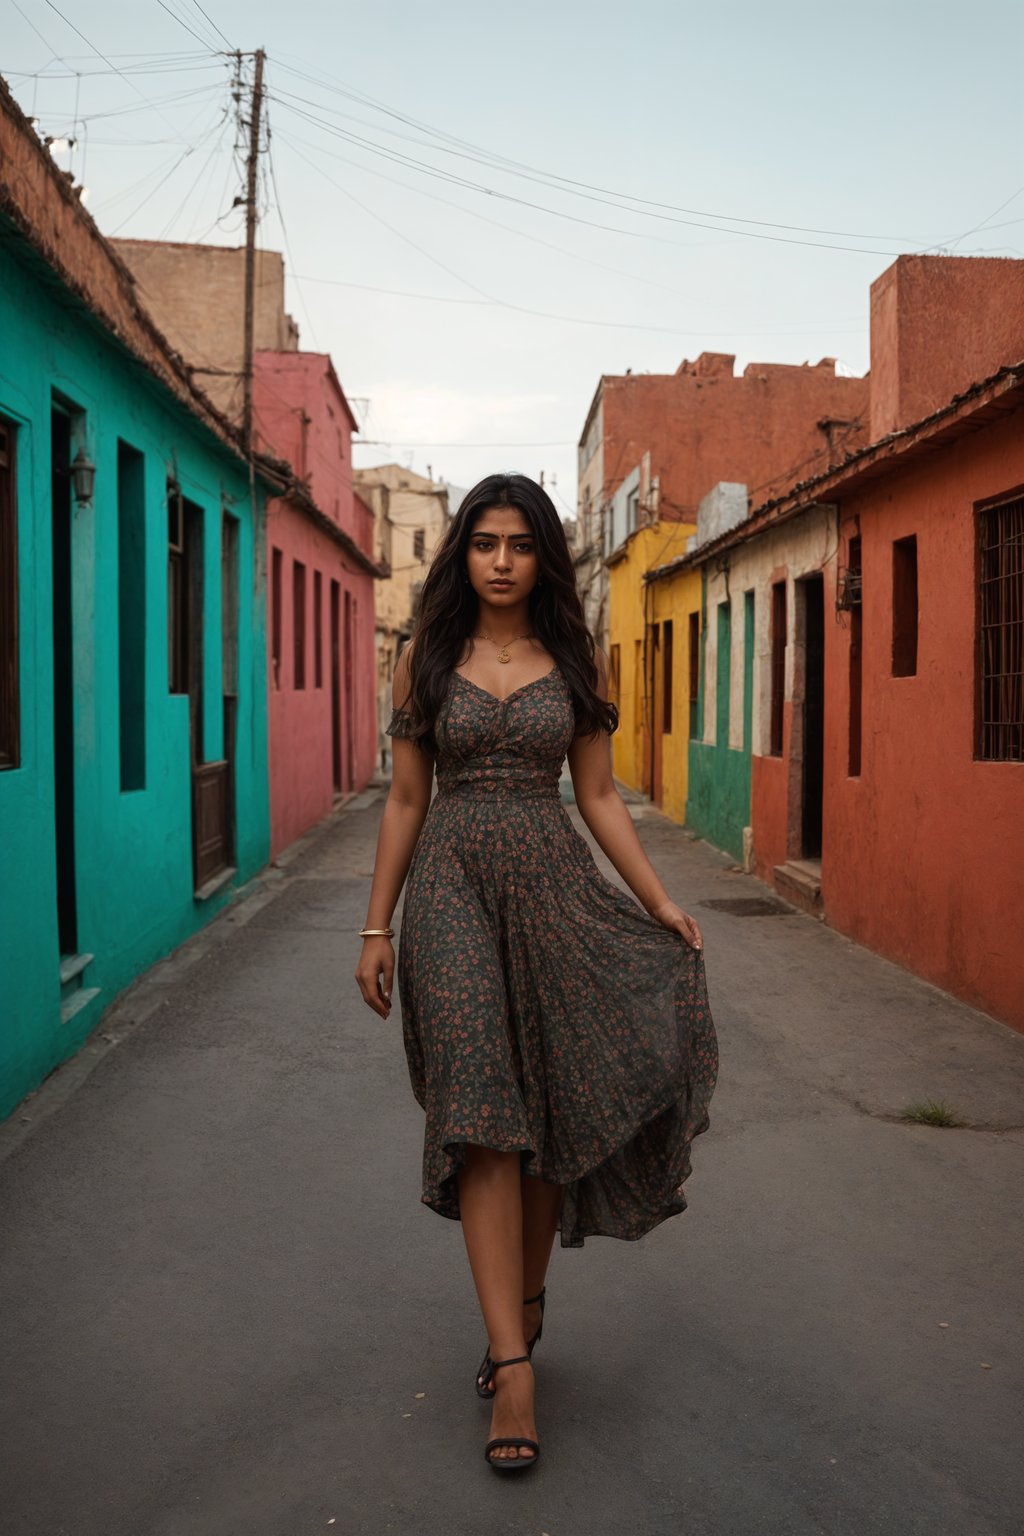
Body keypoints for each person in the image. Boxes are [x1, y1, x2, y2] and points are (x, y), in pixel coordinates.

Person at [355, 472, 718, 1474]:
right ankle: (513, 1368)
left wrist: (658, 902)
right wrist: (374, 927)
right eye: (484, 543)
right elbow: (404, 801)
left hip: (555, 891)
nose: (501, 561)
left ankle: (521, 1302)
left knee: (553, 1117)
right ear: (462, 554)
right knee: (481, 1122)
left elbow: (598, 796)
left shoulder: (572, 656)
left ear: (541, 555)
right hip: (452, 896)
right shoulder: (423, 660)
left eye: (519, 543)